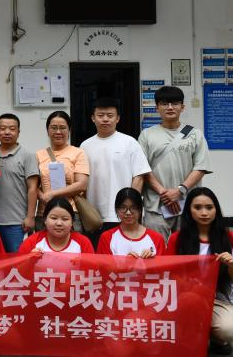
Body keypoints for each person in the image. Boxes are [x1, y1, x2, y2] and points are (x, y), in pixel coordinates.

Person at [165, 187, 233, 355]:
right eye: (197, 207)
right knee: (189, 301)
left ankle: (217, 339)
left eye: (209, 207)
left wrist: (231, 265)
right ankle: (191, 336)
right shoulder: (177, 239)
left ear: (216, 209)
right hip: (185, 296)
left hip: (220, 297)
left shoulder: (230, 238)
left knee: (229, 329)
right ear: (189, 210)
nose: (204, 213)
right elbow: (168, 274)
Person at [139, 85, 212, 240]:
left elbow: (201, 167)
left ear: (182, 107)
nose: (170, 107)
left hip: (188, 203)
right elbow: (143, 168)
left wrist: (180, 191)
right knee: (155, 248)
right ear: (157, 108)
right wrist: (164, 193)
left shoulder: (195, 134)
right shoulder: (146, 135)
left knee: (187, 247)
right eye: (164, 103)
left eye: (175, 103)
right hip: (156, 204)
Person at [80, 97, 150, 248]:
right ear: (93, 118)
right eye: (100, 115)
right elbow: (81, 181)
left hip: (123, 213)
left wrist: (130, 206)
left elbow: (139, 176)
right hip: (94, 215)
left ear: (117, 118)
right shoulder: (85, 146)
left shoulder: (129, 142)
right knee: (98, 256)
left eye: (110, 115)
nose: (105, 119)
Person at [35, 111, 89, 232]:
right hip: (44, 213)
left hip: (70, 212)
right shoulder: (39, 155)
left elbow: (82, 184)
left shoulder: (78, 153)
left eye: (63, 128)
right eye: (54, 128)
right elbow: (33, 185)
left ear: (69, 130)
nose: (58, 132)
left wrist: (52, 194)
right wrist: (42, 196)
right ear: (47, 130)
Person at [0, 113, 39, 252]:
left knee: (17, 260)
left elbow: (33, 188)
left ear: (18, 132)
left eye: (12, 129)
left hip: (18, 223)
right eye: (3, 128)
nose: (7, 132)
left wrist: (30, 217)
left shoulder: (28, 156)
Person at [96, 187, 165, 257]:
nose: (128, 212)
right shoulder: (107, 238)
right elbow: (102, 263)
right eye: (123, 208)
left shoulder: (157, 239)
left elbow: (164, 263)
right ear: (116, 210)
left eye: (133, 208)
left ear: (140, 210)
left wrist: (152, 260)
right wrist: (126, 262)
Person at [18, 196, 94, 254]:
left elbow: (92, 269)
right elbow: (18, 268)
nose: (59, 223)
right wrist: (29, 260)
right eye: (54, 218)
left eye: (65, 219)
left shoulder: (83, 243)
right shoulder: (31, 243)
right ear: (45, 220)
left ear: (72, 222)